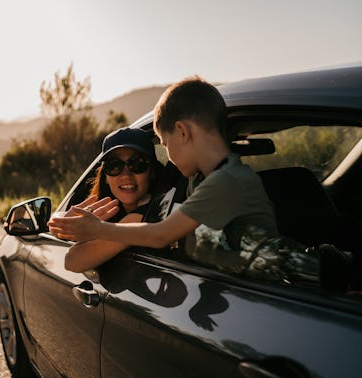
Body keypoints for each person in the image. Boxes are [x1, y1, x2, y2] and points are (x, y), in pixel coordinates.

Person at [48, 76, 277, 257]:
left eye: (165, 144)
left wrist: (97, 229)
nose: (169, 155)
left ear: (182, 131)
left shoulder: (226, 181)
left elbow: (160, 235)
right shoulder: (202, 180)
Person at [61, 127, 163, 272]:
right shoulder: (109, 212)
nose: (126, 175)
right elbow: (71, 261)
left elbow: (72, 261)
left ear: (152, 171)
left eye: (137, 164)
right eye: (114, 166)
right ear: (106, 177)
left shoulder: (156, 211)